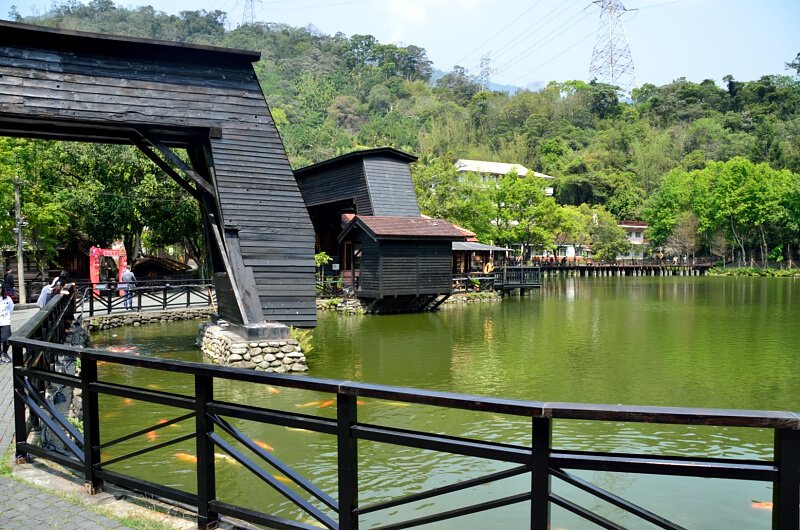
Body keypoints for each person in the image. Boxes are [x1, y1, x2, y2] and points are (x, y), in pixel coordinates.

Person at [0, 284, 13, 364]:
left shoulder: (7, 299)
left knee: (6, 339)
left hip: (5, 321)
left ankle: (5, 352)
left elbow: (11, 308)